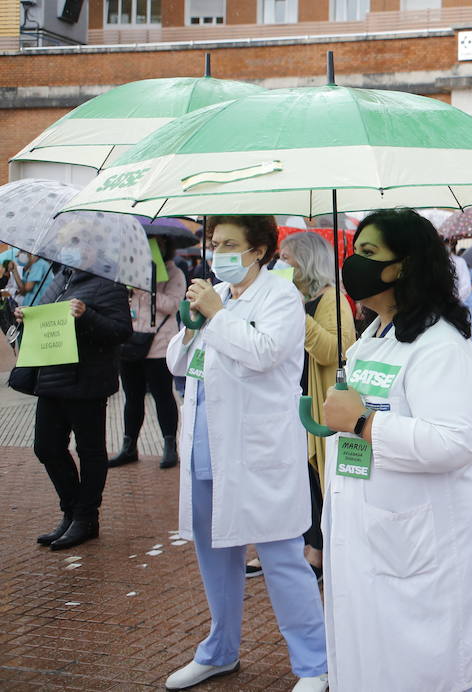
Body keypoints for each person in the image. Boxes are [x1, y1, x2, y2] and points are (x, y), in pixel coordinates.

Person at [319, 210, 472, 692]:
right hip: (370, 530)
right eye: (355, 251)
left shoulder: (440, 345)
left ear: (404, 266)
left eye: (369, 254)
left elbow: (453, 442)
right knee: (380, 665)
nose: (354, 263)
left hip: (420, 545)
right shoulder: (373, 336)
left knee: (438, 673)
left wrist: (362, 422)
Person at [164, 216, 328, 692]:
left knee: (282, 556)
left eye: (231, 244)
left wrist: (217, 315)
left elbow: (263, 352)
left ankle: (314, 663)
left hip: (257, 450)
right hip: (205, 445)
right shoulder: (215, 295)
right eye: (215, 244)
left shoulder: (281, 298)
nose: (219, 254)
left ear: (259, 250)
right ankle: (219, 650)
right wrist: (194, 324)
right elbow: (179, 363)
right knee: (214, 553)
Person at [15, 268, 132, 551]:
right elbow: (47, 322)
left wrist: (87, 315)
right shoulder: (58, 279)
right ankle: (71, 510)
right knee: (46, 447)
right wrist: (25, 318)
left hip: (87, 381)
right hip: (52, 375)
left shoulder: (109, 284)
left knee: (90, 451)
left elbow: (121, 330)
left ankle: (86, 516)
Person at [280, 229, 356, 580]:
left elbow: (332, 350)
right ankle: (300, 543)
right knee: (297, 476)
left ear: (306, 261)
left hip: (318, 400)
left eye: (286, 257)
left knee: (317, 476)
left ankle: (321, 550)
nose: (280, 264)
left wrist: (299, 314)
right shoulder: (290, 297)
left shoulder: (332, 300)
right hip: (289, 397)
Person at [109, 235, 186, 469]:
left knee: (163, 396)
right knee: (132, 398)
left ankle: (170, 446)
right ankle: (128, 447)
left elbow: (173, 306)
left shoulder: (174, 273)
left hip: (159, 346)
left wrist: (145, 290)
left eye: (158, 243)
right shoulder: (130, 271)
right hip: (131, 344)